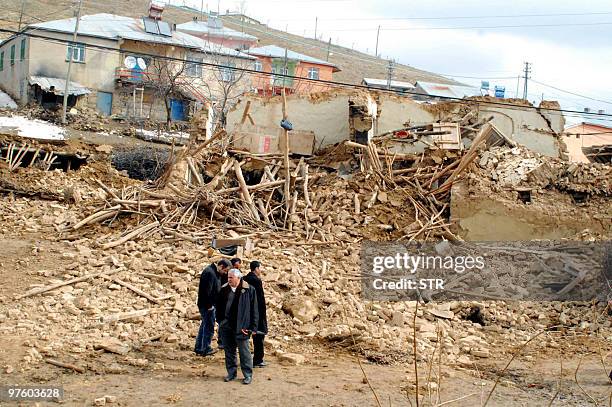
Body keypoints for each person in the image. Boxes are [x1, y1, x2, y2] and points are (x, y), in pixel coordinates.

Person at [216, 268, 258, 384]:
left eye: (231, 277)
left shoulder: (249, 290)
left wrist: (253, 328)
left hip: (242, 327)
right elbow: (218, 306)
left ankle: (247, 375)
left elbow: (254, 310)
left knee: (244, 352)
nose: (228, 279)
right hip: (226, 326)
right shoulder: (224, 289)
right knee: (229, 352)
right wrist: (220, 321)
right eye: (228, 277)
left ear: (238, 278)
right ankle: (231, 373)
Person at [195, 259, 231, 356]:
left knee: (205, 325)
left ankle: (199, 347)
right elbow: (206, 291)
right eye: (225, 270)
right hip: (207, 305)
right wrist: (209, 305)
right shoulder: (210, 273)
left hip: (207, 304)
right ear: (221, 266)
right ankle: (205, 348)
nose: (225, 273)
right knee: (209, 327)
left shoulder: (213, 272)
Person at [243, 260, 268, 368]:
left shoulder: (245, 278)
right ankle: (258, 359)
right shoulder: (256, 281)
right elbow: (260, 299)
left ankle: (246, 359)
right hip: (257, 312)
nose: (261, 270)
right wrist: (262, 314)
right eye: (260, 268)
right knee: (259, 335)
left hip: (247, 311)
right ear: (256, 268)